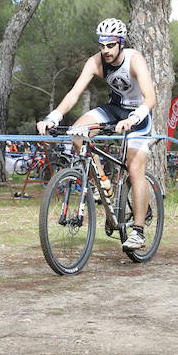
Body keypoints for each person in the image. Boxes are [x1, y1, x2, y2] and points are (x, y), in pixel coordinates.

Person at [36, 18, 156, 251]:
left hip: (138, 115)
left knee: (134, 169)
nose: (105, 50)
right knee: (78, 131)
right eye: (102, 45)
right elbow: (74, 93)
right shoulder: (96, 61)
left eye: (110, 45)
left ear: (120, 43)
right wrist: (53, 117)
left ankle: (138, 231)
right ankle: (102, 181)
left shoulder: (134, 59)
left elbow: (151, 98)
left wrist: (133, 118)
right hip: (114, 109)